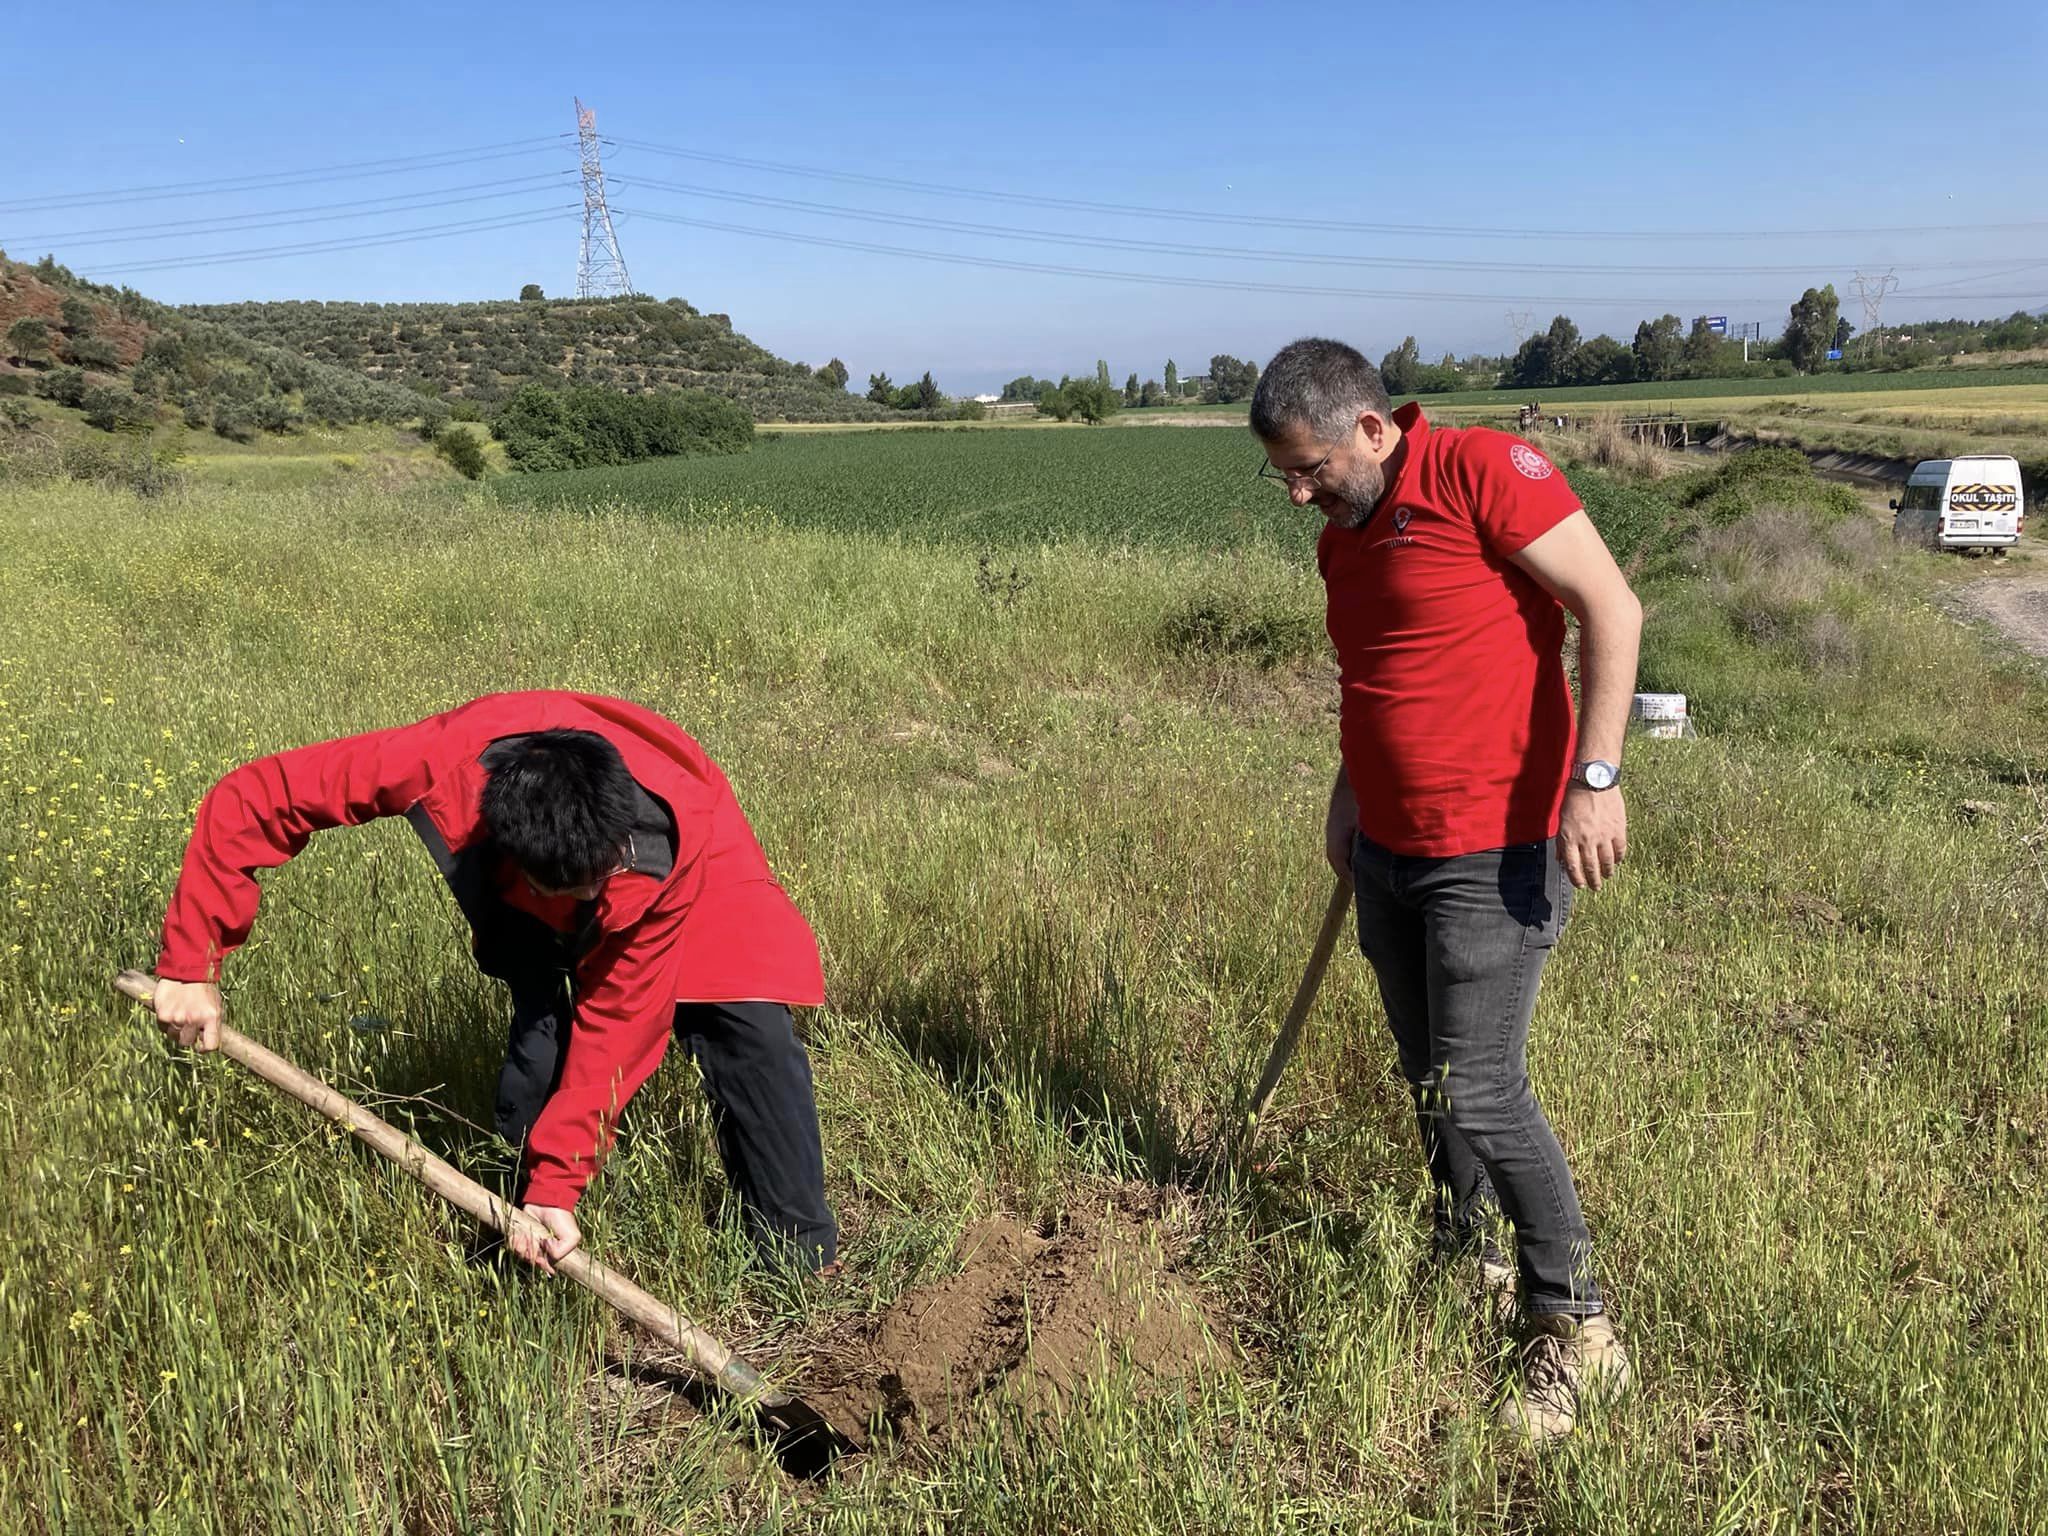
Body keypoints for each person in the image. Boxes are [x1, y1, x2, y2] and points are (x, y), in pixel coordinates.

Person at [1250, 340, 1643, 1442]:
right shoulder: (1345, 534)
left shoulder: (1483, 471)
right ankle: (1462, 1250)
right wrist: (1346, 798)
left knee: (1481, 1090)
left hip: (1495, 847)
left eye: (1308, 467)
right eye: (1280, 473)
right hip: (1386, 846)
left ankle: (1577, 1329)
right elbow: (1378, 674)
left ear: (1371, 430)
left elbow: (1611, 611)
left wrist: (1596, 779)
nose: (1295, 492)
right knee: (1426, 1077)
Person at [149, 690, 838, 1277]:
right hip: (516, 867)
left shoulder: (661, 843)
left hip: (682, 846)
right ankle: (520, 1222)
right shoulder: (435, 764)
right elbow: (255, 798)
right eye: (573, 889)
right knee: (544, 1037)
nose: (592, 897)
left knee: (745, 1022)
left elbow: (623, 1021)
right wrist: (189, 963)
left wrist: (564, 1174)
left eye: (597, 881)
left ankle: (795, 1258)